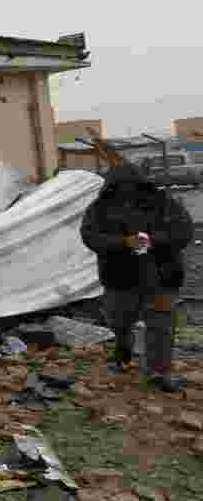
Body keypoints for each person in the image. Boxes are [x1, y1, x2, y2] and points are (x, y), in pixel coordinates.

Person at [80, 162, 193, 392]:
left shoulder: (163, 202)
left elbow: (183, 232)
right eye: (121, 186)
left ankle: (159, 372)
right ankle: (123, 352)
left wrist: (153, 241)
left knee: (161, 324)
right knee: (119, 321)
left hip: (162, 277)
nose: (127, 190)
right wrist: (123, 243)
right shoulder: (101, 208)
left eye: (133, 185)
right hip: (120, 279)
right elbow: (90, 236)